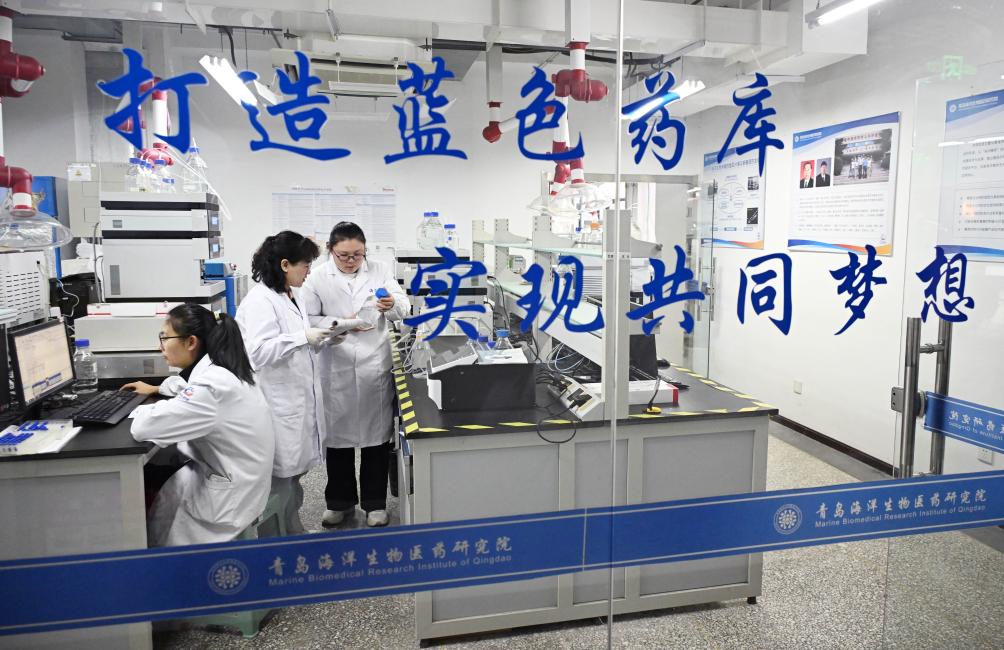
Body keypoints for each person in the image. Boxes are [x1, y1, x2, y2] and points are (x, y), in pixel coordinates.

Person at [122, 304, 274, 547]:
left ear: (191, 342)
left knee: (147, 485)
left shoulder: (212, 388)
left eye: (164, 338)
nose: (160, 347)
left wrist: (137, 409)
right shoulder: (224, 369)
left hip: (228, 500)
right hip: (241, 479)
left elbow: (144, 428)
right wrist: (158, 389)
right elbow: (186, 387)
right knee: (162, 473)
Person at [302, 221, 409, 528]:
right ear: (330, 251)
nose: (351, 261)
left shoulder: (379, 270)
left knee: (376, 441)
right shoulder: (317, 277)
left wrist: (391, 305)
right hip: (335, 363)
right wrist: (342, 323)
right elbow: (309, 319)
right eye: (344, 255)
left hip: (373, 363)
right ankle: (340, 502)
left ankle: (375, 504)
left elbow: (402, 307)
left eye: (357, 254)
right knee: (338, 443)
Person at [235, 231, 336, 535]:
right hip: (276, 404)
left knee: (292, 480)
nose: (308, 272)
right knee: (278, 482)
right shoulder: (260, 301)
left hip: (296, 399)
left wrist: (323, 339)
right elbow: (258, 352)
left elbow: (297, 344)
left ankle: (294, 532)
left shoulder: (291, 294)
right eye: (305, 265)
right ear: (284, 264)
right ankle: (277, 541)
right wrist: (303, 337)